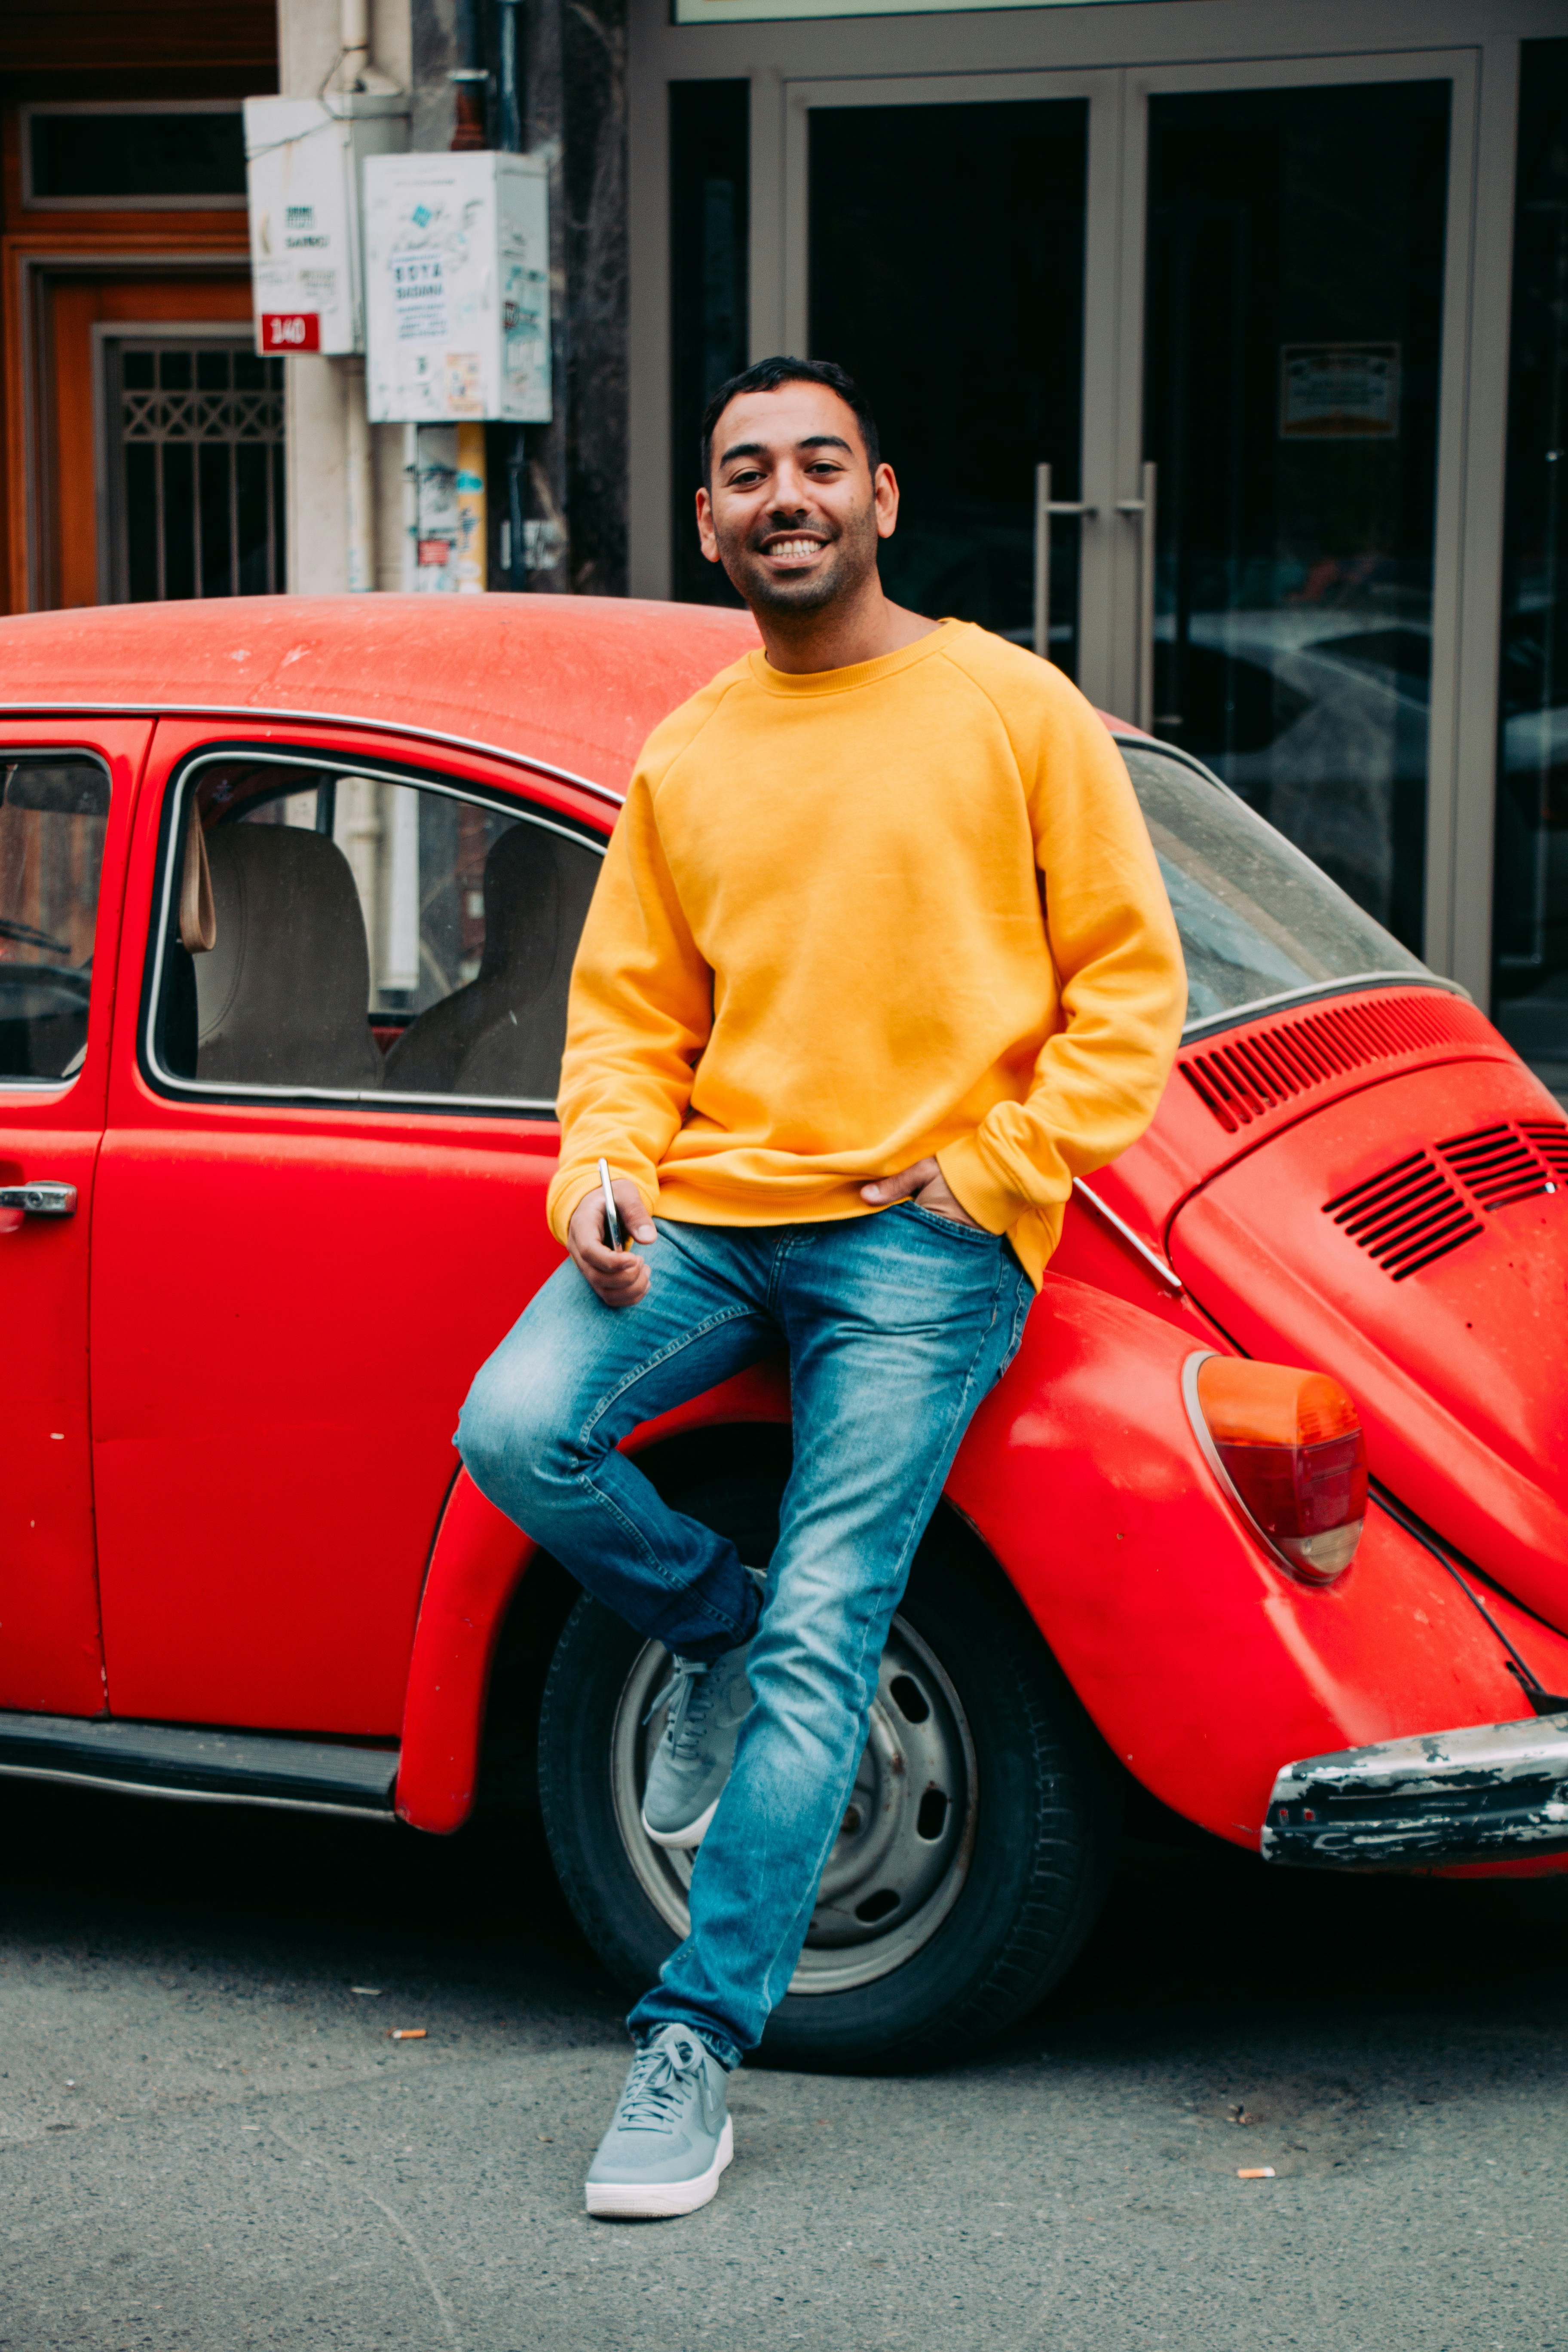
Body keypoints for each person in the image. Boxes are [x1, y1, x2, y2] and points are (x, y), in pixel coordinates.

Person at [456, 355, 1185, 2219]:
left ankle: (692, 2040)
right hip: (708, 1211)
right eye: (744, 474)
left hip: (923, 1239)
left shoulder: (1012, 709)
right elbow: (628, 1019)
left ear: (882, 496)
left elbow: (1130, 993)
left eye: (816, 464)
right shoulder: (692, 753)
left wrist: (994, 1175)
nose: (783, 496)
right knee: (519, 1430)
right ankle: (705, 1615)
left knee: (833, 1634)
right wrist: (601, 1172)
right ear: (709, 524)